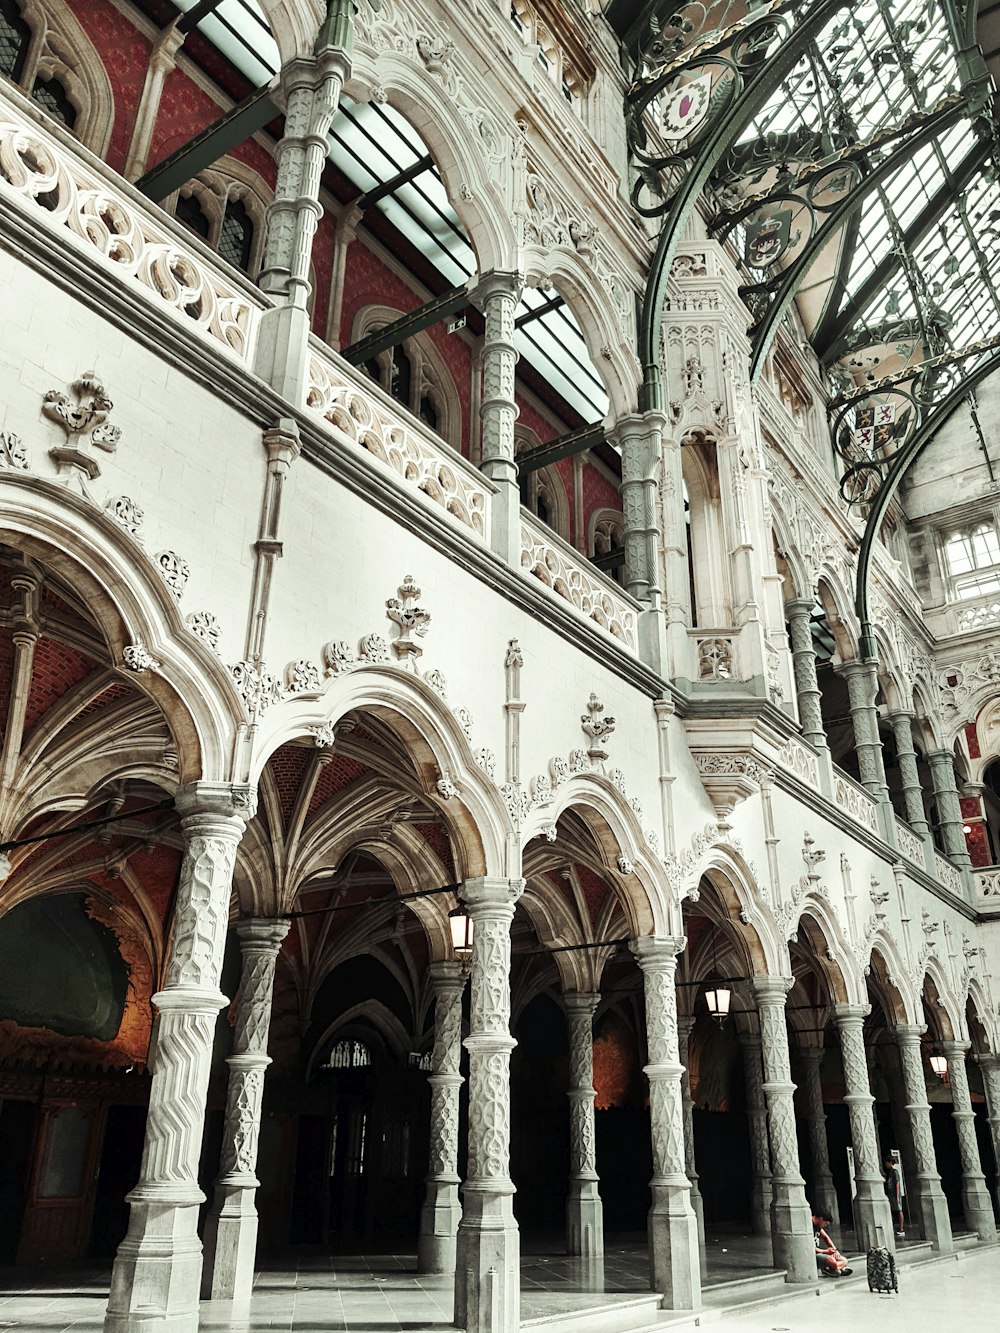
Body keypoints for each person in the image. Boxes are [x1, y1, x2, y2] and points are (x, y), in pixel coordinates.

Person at [812, 1212, 852, 1277]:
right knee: (832, 1260)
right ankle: (837, 1269)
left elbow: (826, 1237)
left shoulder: (818, 1226)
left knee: (844, 1260)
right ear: (821, 1219)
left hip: (820, 1252)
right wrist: (824, 1251)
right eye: (825, 1223)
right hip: (813, 1254)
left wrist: (834, 1250)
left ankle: (832, 1270)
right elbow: (809, 1247)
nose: (825, 1225)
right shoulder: (809, 1224)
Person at [884, 1156, 905, 1238]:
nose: (886, 1165)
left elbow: (897, 1184)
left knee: (899, 1210)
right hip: (891, 1194)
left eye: (886, 1163)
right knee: (895, 1210)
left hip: (895, 1194)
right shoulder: (890, 1172)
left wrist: (896, 1196)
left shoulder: (895, 1172)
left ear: (890, 1163)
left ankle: (901, 1228)